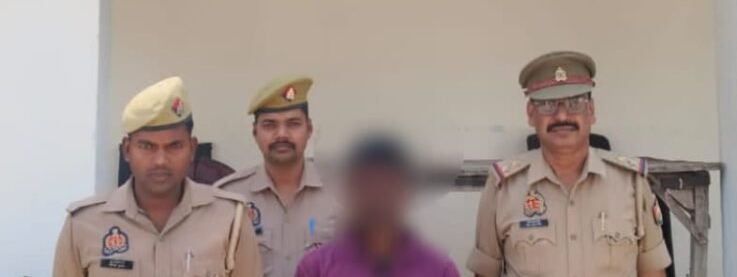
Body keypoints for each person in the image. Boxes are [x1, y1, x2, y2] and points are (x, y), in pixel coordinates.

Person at [467, 51, 672, 277]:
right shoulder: (502, 187)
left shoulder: (632, 183)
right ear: (531, 114)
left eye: (575, 103)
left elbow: (653, 272)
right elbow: (485, 273)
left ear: (591, 111)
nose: (562, 116)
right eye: (547, 104)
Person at [53, 76, 260, 276]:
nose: (160, 160)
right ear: (127, 150)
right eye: (146, 146)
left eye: (174, 146)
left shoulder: (229, 218)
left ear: (192, 149)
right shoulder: (83, 224)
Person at [216, 76, 338, 277]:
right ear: (255, 132)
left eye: (293, 124)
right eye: (270, 125)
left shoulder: (343, 194)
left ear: (309, 129)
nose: (282, 134)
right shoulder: (228, 198)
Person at [295, 134, 460, 277]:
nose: (378, 196)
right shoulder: (315, 268)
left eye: (389, 185)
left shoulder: (440, 269)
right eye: (368, 184)